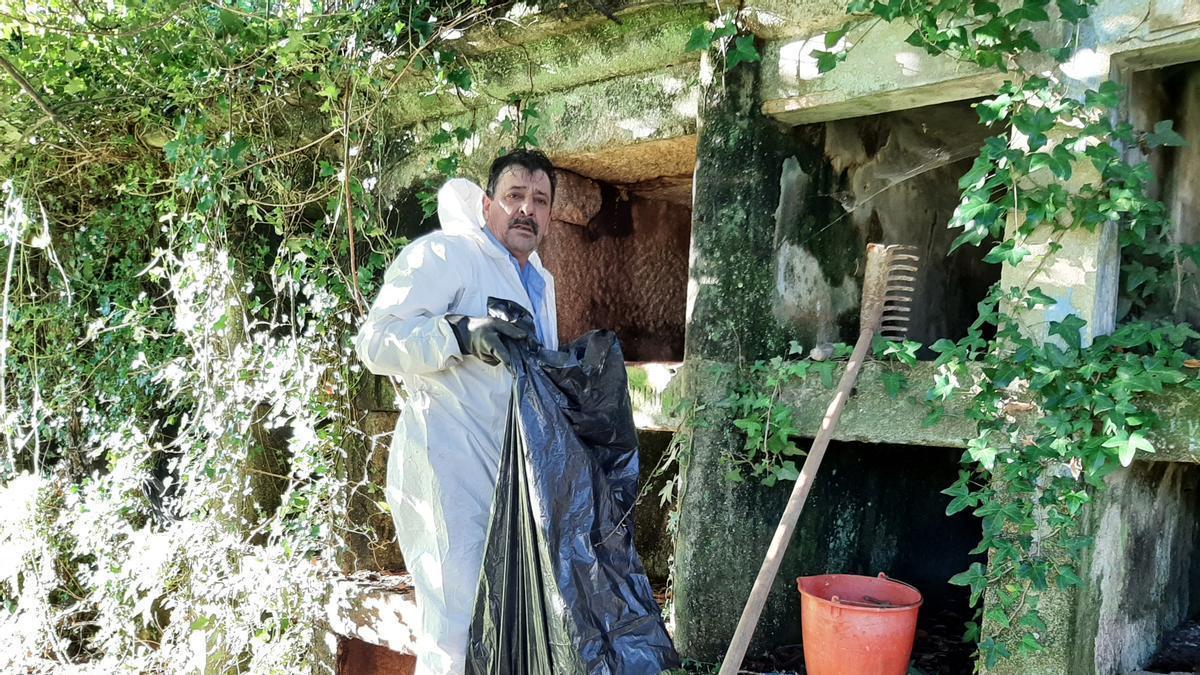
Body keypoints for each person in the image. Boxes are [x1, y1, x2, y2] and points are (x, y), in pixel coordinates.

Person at [354, 150, 558, 675]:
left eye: (539, 200)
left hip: (508, 474)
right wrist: (460, 334)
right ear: (488, 205)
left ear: (551, 216)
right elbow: (375, 342)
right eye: (514, 197)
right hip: (445, 466)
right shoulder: (447, 255)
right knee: (455, 627)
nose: (526, 210)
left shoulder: (540, 281)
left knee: (504, 621)